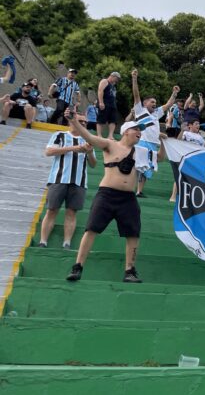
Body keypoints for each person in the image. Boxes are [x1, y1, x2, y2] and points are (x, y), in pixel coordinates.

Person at [64, 108, 150, 283]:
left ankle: (130, 270)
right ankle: (78, 266)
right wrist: (74, 121)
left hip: (128, 198)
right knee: (91, 229)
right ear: (126, 131)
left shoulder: (140, 152)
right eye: (136, 129)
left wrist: (164, 141)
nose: (139, 133)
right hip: (107, 195)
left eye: (140, 131)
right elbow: (90, 138)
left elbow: (162, 157)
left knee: (133, 233)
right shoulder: (111, 144)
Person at [38, 114, 97, 249]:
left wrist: (89, 152)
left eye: (85, 122)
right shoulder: (60, 135)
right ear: (72, 121)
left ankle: (67, 243)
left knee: (72, 212)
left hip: (79, 181)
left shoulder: (88, 140)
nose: (83, 124)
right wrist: (73, 148)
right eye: (80, 121)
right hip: (58, 179)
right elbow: (49, 152)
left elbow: (93, 164)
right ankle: (43, 241)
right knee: (51, 210)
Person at [131, 68, 180, 197]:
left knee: (146, 169)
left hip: (153, 144)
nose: (154, 103)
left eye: (155, 102)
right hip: (141, 142)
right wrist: (134, 78)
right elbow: (136, 94)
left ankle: (139, 191)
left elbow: (168, 105)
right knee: (137, 167)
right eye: (152, 102)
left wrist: (174, 93)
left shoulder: (156, 113)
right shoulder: (140, 110)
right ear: (145, 103)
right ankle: (129, 188)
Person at [96, 71, 121, 139]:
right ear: (112, 76)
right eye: (117, 78)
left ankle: (110, 135)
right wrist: (101, 102)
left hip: (112, 105)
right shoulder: (105, 81)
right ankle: (99, 135)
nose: (117, 80)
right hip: (105, 103)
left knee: (113, 120)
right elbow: (100, 91)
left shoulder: (113, 86)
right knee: (101, 119)